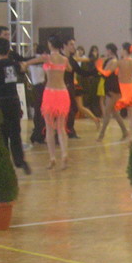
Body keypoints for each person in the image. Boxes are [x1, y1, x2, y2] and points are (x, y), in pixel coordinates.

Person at [0, 37, 32, 175]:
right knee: (15, 133)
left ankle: (4, 162)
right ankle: (20, 160)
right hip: (14, 100)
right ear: (9, 50)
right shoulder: (14, 65)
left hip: (1, 101)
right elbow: (23, 70)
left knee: (2, 134)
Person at [40, 35, 72, 170]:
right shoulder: (64, 59)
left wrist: (26, 64)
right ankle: (64, 154)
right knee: (61, 127)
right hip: (63, 93)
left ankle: (52, 157)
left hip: (50, 92)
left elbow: (35, 61)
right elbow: (70, 69)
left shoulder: (47, 58)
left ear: (50, 44)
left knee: (49, 128)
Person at [95, 43, 128, 142]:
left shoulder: (113, 61)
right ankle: (125, 132)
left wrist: (99, 65)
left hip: (114, 89)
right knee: (114, 113)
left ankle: (101, 134)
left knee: (107, 112)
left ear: (109, 50)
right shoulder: (112, 60)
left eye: (106, 50)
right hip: (111, 88)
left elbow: (104, 72)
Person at [28, 43, 47, 144]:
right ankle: (38, 135)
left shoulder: (32, 60)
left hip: (35, 87)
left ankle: (37, 133)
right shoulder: (44, 60)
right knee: (42, 112)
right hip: (41, 87)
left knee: (37, 111)